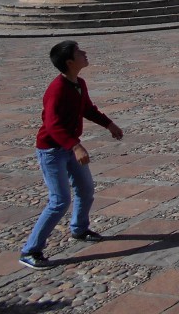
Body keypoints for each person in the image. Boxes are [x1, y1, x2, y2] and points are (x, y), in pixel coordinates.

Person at [19, 41, 123, 270]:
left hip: (69, 147)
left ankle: (79, 228)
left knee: (85, 189)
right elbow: (52, 125)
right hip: (52, 151)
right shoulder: (57, 89)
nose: (85, 53)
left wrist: (109, 124)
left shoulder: (79, 84)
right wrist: (75, 146)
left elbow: (87, 109)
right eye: (79, 52)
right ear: (69, 62)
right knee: (60, 200)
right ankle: (31, 250)